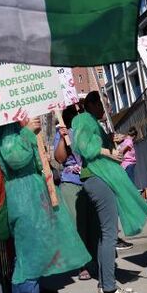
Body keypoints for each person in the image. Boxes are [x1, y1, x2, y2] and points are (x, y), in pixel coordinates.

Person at [0, 115, 91, 293]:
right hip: (25, 198)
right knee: (30, 264)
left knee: (23, 262)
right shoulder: (6, 124)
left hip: (23, 196)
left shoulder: (3, 122)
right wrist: (27, 131)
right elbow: (14, 158)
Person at [71, 91, 147, 293]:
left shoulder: (89, 120)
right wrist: (108, 151)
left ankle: (105, 284)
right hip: (99, 179)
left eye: (106, 105)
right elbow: (83, 146)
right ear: (90, 104)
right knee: (109, 234)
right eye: (102, 105)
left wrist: (107, 140)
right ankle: (109, 288)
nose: (105, 109)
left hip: (98, 179)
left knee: (104, 234)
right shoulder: (82, 118)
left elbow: (91, 143)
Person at [53, 104, 97, 281]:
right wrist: (64, 138)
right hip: (71, 183)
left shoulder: (89, 130)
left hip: (92, 179)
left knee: (94, 223)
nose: (79, 115)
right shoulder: (62, 133)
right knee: (77, 225)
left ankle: (96, 259)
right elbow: (59, 158)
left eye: (81, 112)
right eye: (75, 113)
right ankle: (82, 264)